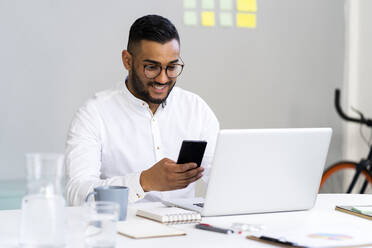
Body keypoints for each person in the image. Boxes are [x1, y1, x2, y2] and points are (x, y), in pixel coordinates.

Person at [65, 15, 220, 205]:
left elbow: (224, 178)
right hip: (121, 230)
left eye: (172, 67)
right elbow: (77, 195)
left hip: (187, 231)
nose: (163, 79)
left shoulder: (196, 109)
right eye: (151, 67)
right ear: (127, 61)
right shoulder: (94, 114)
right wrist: (144, 181)